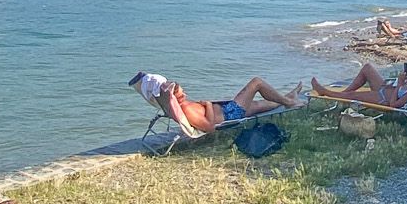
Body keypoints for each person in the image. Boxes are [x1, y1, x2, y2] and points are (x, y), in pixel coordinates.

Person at [129, 73, 302, 134]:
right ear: (175, 96)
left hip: (228, 110)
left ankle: (288, 97)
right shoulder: (186, 109)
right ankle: (289, 101)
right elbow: (211, 127)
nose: (184, 93)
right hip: (230, 113)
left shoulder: (178, 107)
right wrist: (208, 105)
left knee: (259, 105)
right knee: (256, 82)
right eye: (180, 92)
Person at [314, 62, 407, 107]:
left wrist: (399, 84)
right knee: (367, 68)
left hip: (383, 98)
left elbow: (393, 105)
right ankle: (342, 94)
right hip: (383, 87)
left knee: (353, 96)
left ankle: (325, 92)